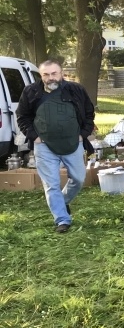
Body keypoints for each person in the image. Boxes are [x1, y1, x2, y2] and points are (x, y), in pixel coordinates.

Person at [16, 60, 96, 233]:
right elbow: (22, 117)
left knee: (79, 179)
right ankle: (62, 220)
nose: (50, 78)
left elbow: (89, 114)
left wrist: (82, 135)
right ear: (41, 75)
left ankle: (63, 201)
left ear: (61, 73)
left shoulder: (76, 90)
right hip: (44, 147)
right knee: (51, 184)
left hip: (73, 144)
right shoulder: (31, 91)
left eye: (54, 73)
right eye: (46, 74)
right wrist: (34, 136)